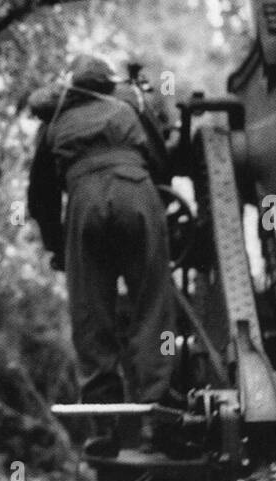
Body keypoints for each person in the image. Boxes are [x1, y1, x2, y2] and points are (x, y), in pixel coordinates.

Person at [26, 53, 177, 455]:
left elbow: (40, 198)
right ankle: (159, 417)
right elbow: (162, 163)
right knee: (153, 307)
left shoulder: (54, 120)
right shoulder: (128, 105)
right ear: (107, 82)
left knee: (92, 315)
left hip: (83, 205)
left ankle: (103, 427)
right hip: (136, 194)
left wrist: (59, 248)